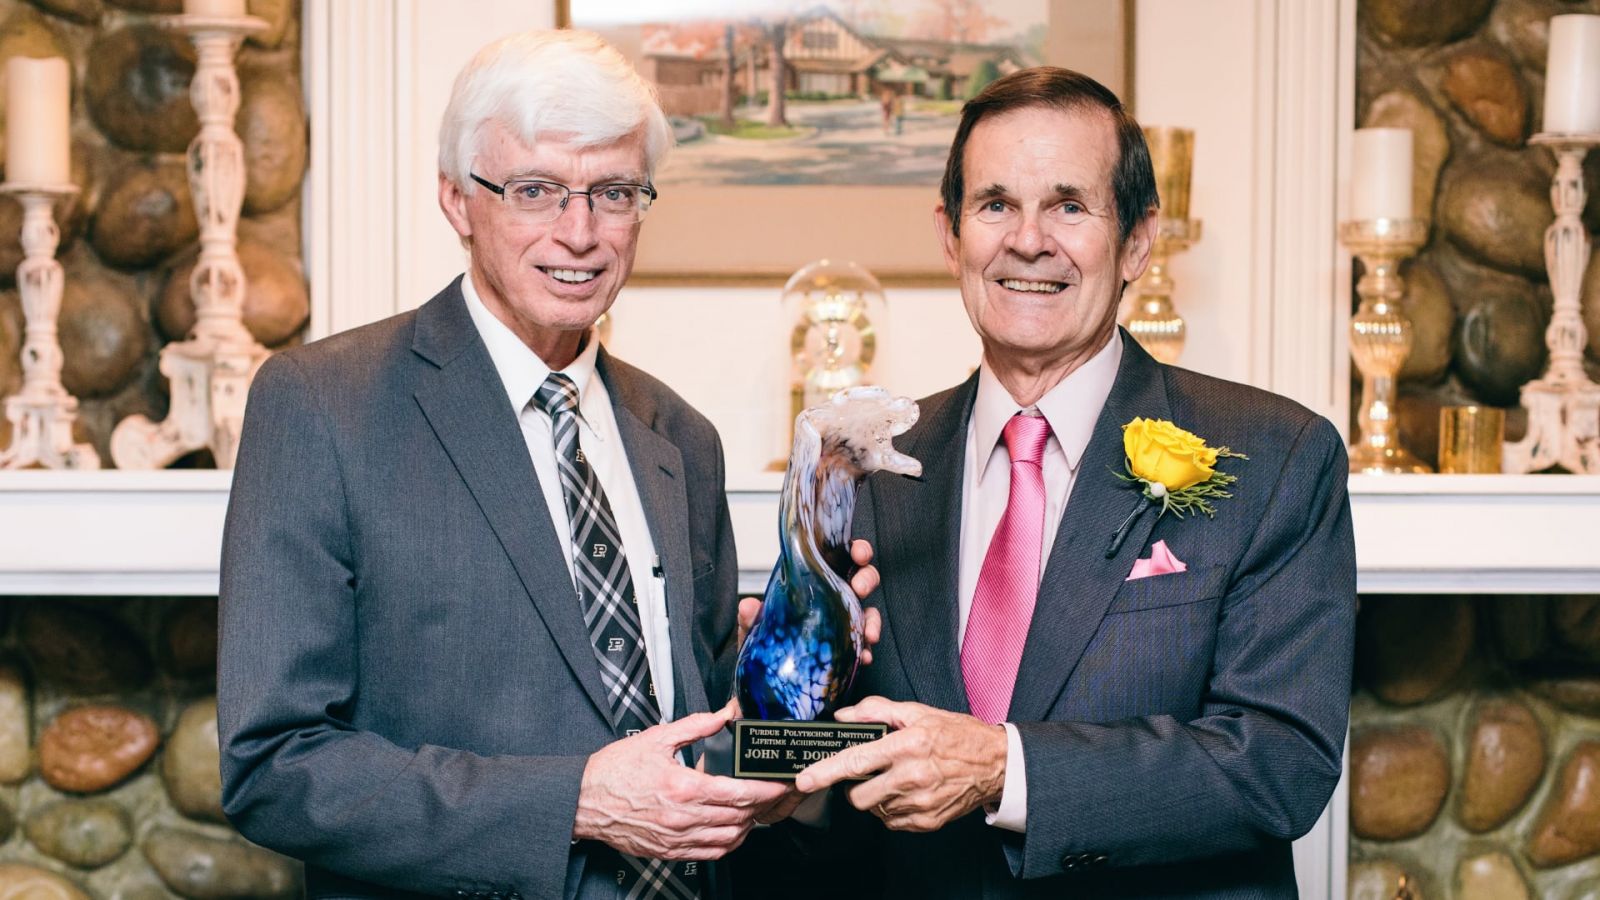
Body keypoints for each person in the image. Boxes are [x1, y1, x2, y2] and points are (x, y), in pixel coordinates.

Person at [217, 30, 876, 900]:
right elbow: (274, 763)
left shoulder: (681, 435)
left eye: (613, 193)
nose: (581, 233)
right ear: (457, 200)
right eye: (536, 190)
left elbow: (705, 732)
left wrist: (799, 679)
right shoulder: (322, 404)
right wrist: (573, 803)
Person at [794, 67, 1357, 898]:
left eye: (1068, 206)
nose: (1028, 240)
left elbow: (1278, 762)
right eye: (995, 205)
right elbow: (832, 780)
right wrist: (780, 694)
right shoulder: (864, 464)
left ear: (1136, 240)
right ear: (950, 234)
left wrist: (1003, 770)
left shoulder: (1274, 457)